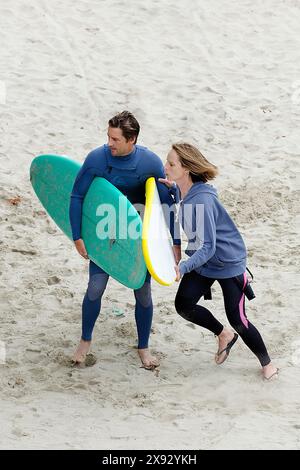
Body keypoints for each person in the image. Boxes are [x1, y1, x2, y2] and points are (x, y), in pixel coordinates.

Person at [69, 111, 181, 369]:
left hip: (138, 237)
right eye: (108, 137)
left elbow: (164, 204)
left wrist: (175, 244)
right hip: (104, 233)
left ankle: (143, 347)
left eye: (115, 139)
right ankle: (85, 340)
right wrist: (78, 236)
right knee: (95, 288)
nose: (109, 143)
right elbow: (77, 196)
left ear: (132, 139)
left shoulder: (150, 163)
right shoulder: (97, 159)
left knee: (143, 294)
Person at [159, 142, 278, 380]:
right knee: (184, 305)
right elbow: (184, 199)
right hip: (205, 262)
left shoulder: (202, 201)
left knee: (238, 319)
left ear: (187, 169)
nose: (166, 166)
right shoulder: (188, 190)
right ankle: (223, 334)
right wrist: (173, 189)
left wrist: (182, 266)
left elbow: (208, 246)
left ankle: (267, 363)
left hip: (227, 263)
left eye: (171, 164)